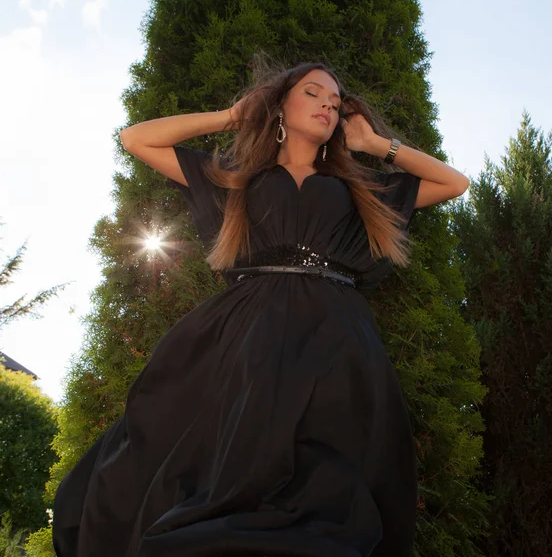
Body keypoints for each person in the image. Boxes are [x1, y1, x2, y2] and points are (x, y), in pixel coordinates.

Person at [51, 60, 469, 557]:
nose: (327, 105)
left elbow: (454, 183)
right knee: (222, 457)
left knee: (328, 471)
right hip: (248, 333)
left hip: (337, 337)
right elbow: (138, 139)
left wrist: (378, 146)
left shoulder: (362, 187)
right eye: (313, 93)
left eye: (335, 102)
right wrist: (231, 116)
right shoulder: (236, 177)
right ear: (281, 107)